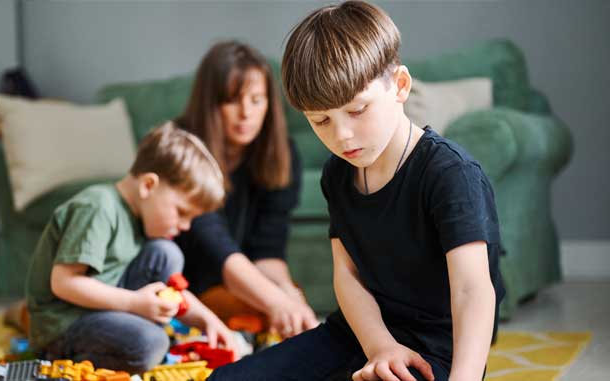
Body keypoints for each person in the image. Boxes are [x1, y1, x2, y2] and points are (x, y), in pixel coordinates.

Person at [208, 2, 505, 381]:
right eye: (321, 121)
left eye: (357, 110)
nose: (341, 135)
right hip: (360, 334)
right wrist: (378, 345)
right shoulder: (338, 174)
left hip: (437, 349)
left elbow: (472, 291)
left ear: (399, 86)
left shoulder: (450, 174)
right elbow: (347, 275)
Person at [25, 123, 237, 373]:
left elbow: (168, 291)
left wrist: (208, 320)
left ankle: (134, 329)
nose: (185, 226)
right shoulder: (98, 208)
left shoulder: (141, 218)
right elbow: (64, 283)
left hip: (105, 309)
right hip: (64, 324)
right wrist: (135, 304)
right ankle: (78, 352)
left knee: (166, 253)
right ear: (148, 185)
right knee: (150, 344)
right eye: (181, 212)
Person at [173, 41, 319, 338]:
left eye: (256, 100)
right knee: (267, 307)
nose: (246, 113)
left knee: (289, 301)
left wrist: (288, 295)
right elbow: (215, 246)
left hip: (241, 278)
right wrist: (274, 301)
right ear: (211, 103)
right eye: (232, 100)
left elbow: (268, 251)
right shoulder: (181, 147)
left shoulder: (282, 153)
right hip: (189, 281)